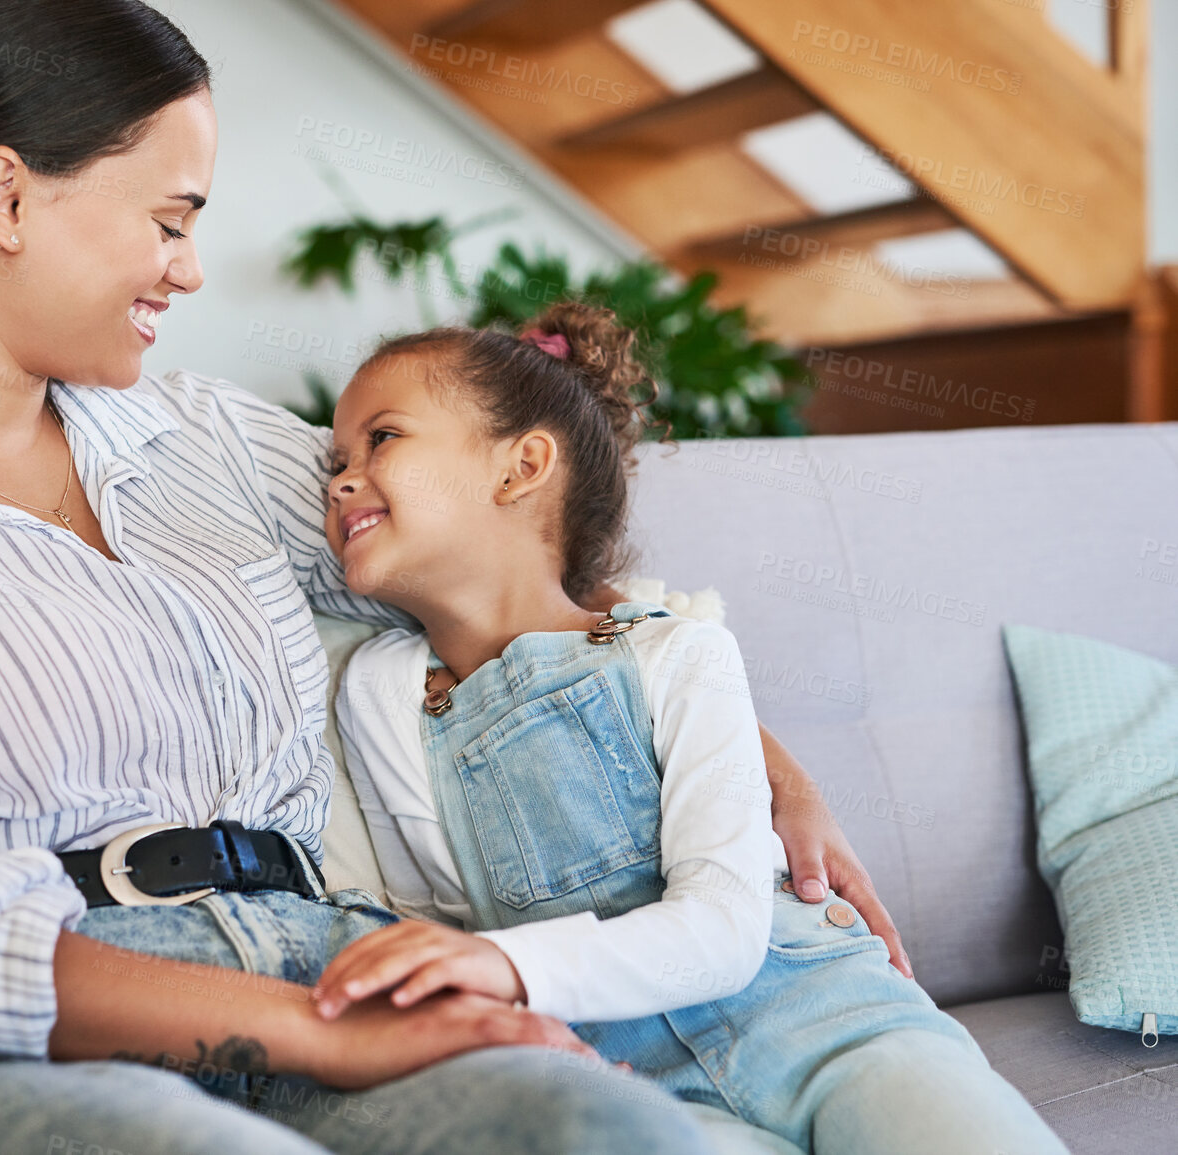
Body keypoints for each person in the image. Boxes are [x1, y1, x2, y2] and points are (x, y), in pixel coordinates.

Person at [0, 1, 910, 1150]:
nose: (188, 269)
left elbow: (501, 573)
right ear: (5, 196)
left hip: (319, 957)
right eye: (168, 220)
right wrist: (326, 1034)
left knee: (608, 1133)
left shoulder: (202, 438)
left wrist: (766, 773)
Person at [315, 303, 1070, 1154]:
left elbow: (721, 927)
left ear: (520, 466)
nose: (340, 479)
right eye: (334, 460)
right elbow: (438, 923)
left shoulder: (674, 651)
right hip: (626, 1083)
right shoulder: (375, 689)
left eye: (381, 439)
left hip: (831, 1024)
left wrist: (511, 967)